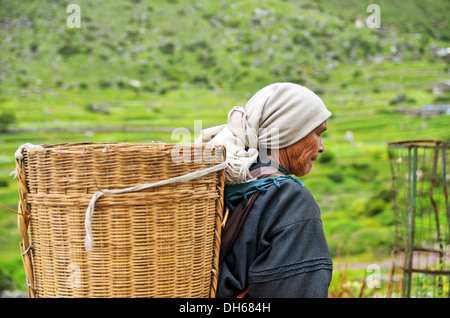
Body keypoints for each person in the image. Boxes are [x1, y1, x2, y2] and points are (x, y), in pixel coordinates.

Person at [199, 82, 333, 298]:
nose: (321, 147)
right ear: (290, 131)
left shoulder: (225, 180)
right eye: (317, 133)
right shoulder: (289, 200)